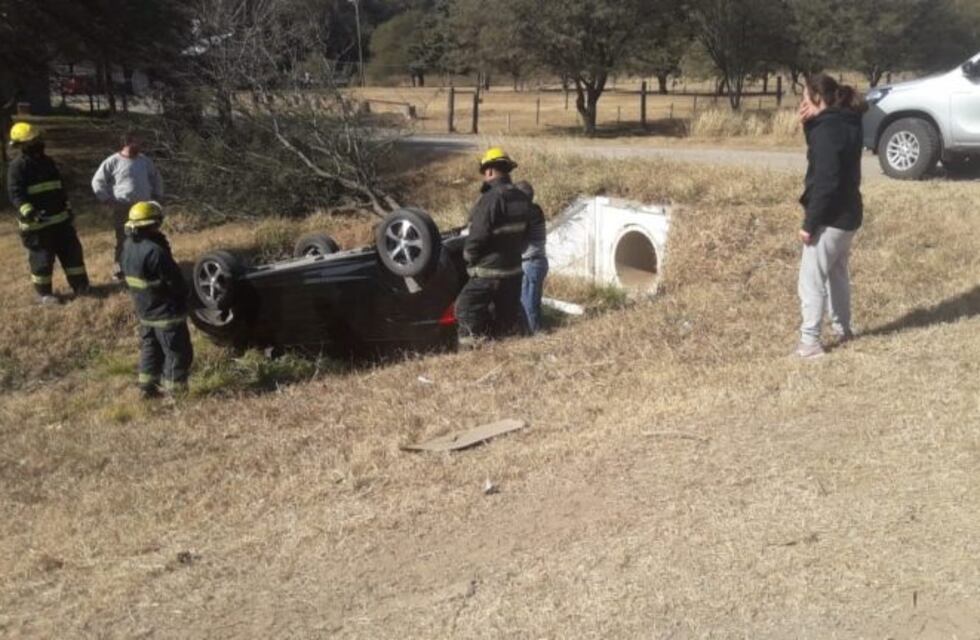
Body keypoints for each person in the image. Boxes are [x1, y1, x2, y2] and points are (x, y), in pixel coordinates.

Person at [795, 73, 867, 359]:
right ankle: (843, 329)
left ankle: (810, 343)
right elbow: (823, 152)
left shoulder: (827, 129)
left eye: (804, 97)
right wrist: (809, 123)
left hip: (830, 216)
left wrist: (810, 223)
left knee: (810, 279)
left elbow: (825, 179)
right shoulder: (847, 121)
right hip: (849, 214)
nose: (800, 102)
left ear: (816, 98)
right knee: (836, 274)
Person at [456, 147, 533, 347]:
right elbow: (527, 234)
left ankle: (470, 352)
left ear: (489, 171)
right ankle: (504, 350)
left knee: (465, 307)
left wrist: (468, 256)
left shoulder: (491, 198)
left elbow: (478, 236)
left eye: (484, 173)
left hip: (489, 272)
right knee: (506, 318)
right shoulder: (521, 198)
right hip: (514, 271)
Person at [6, 122, 89, 304]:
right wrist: (31, 213)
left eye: (37, 139)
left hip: (61, 221)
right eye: (32, 141)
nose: (37, 142)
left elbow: (59, 188)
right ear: (22, 145)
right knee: (42, 261)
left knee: (73, 255)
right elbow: (16, 195)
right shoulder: (17, 167)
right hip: (37, 226)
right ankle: (45, 295)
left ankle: (81, 287)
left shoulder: (48, 162)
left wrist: (67, 208)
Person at [120, 201, 193, 398]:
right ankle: (175, 394)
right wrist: (186, 296)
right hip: (166, 312)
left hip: (145, 310)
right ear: (153, 223)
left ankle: (147, 389)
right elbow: (175, 282)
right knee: (177, 353)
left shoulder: (127, 245)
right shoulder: (155, 251)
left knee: (151, 350)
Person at [91, 130, 164, 281]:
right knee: (124, 240)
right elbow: (97, 181)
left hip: (145, 208)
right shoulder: (112, 161)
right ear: (127, 142)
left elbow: (156, 177)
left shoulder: (145, 160)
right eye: (138, 141)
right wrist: (106, 199)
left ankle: (149, 267)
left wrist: (158, 195)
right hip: (123, 208)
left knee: (150, 237)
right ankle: (120, 270)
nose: (141, 144)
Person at [515, 180, 548, 334]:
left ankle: (536, 336)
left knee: (528, 304)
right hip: (538, 262)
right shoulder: (536, 209)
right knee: (533, 302)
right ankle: (536, 331)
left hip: (531, 263)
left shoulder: (527, 213)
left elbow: (516, 234)